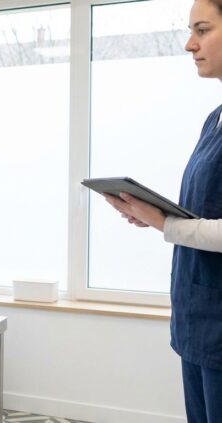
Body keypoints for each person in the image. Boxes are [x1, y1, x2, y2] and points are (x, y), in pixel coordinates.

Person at [104, 1, 222, 421]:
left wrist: (165, 223)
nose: (190, 44)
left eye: (202, 30)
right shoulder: (215, 119)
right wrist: (152, 214)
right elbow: (208, 207)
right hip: (198, 315)